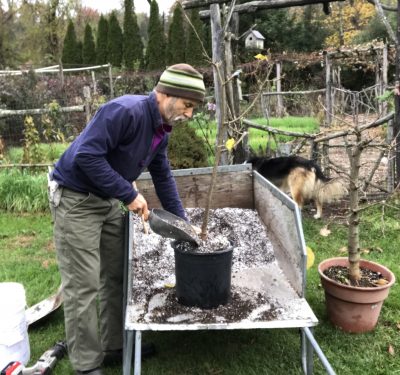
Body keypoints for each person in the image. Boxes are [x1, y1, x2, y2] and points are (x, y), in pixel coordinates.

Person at [48, 64, 206, 375]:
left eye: (193, 108)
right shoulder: (124, 112)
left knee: (116, 275)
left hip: (107, 199)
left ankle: (113, 345)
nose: (189, 115)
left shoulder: (161, 130)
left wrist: (183, 223)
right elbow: (86, 156)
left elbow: (162, 176)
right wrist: (129, 194)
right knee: (84, 284)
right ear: (166, 94)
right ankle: (86, 364)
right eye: (187, 105)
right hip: (75, 198)